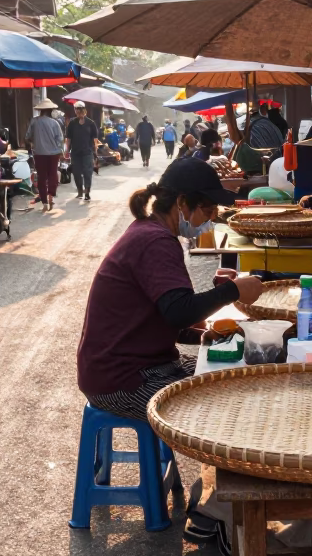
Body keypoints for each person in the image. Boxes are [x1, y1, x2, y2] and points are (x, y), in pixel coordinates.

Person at [77, 158, 265, 422]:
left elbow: (164, 314)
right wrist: (232, 291)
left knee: (235, 378)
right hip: (123, 381)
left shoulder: (150, 232)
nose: (211, 218)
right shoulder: (155, 241)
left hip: (144, 367)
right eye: (207, 209)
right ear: (181, 202)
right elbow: (178, 311)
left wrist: (201, 334)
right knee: (227, 407)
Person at [26, 97, 64, 212]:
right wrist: (61, 151)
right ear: (50, 110)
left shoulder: (34, 121)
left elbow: (27, 137)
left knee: (42, 178)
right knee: (53, 174)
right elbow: (60, 139)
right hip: (54, 154)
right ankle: (51, 196)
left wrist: (35, 142)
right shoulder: (54, 123)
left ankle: (44, 203)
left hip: (39, 153)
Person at [66, 102, 101, 200]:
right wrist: (66, 150)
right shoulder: (72, 123)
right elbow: (68, 138)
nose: (77, 111)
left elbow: (95, 139)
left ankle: (87, 192)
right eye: (76, 109)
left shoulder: (91, 123)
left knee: (87, 172)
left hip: (87, 152)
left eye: (79, 109)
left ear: (84, 110)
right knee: (76, 172)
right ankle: (80, 191)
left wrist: (96, 152)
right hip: (75, 152)